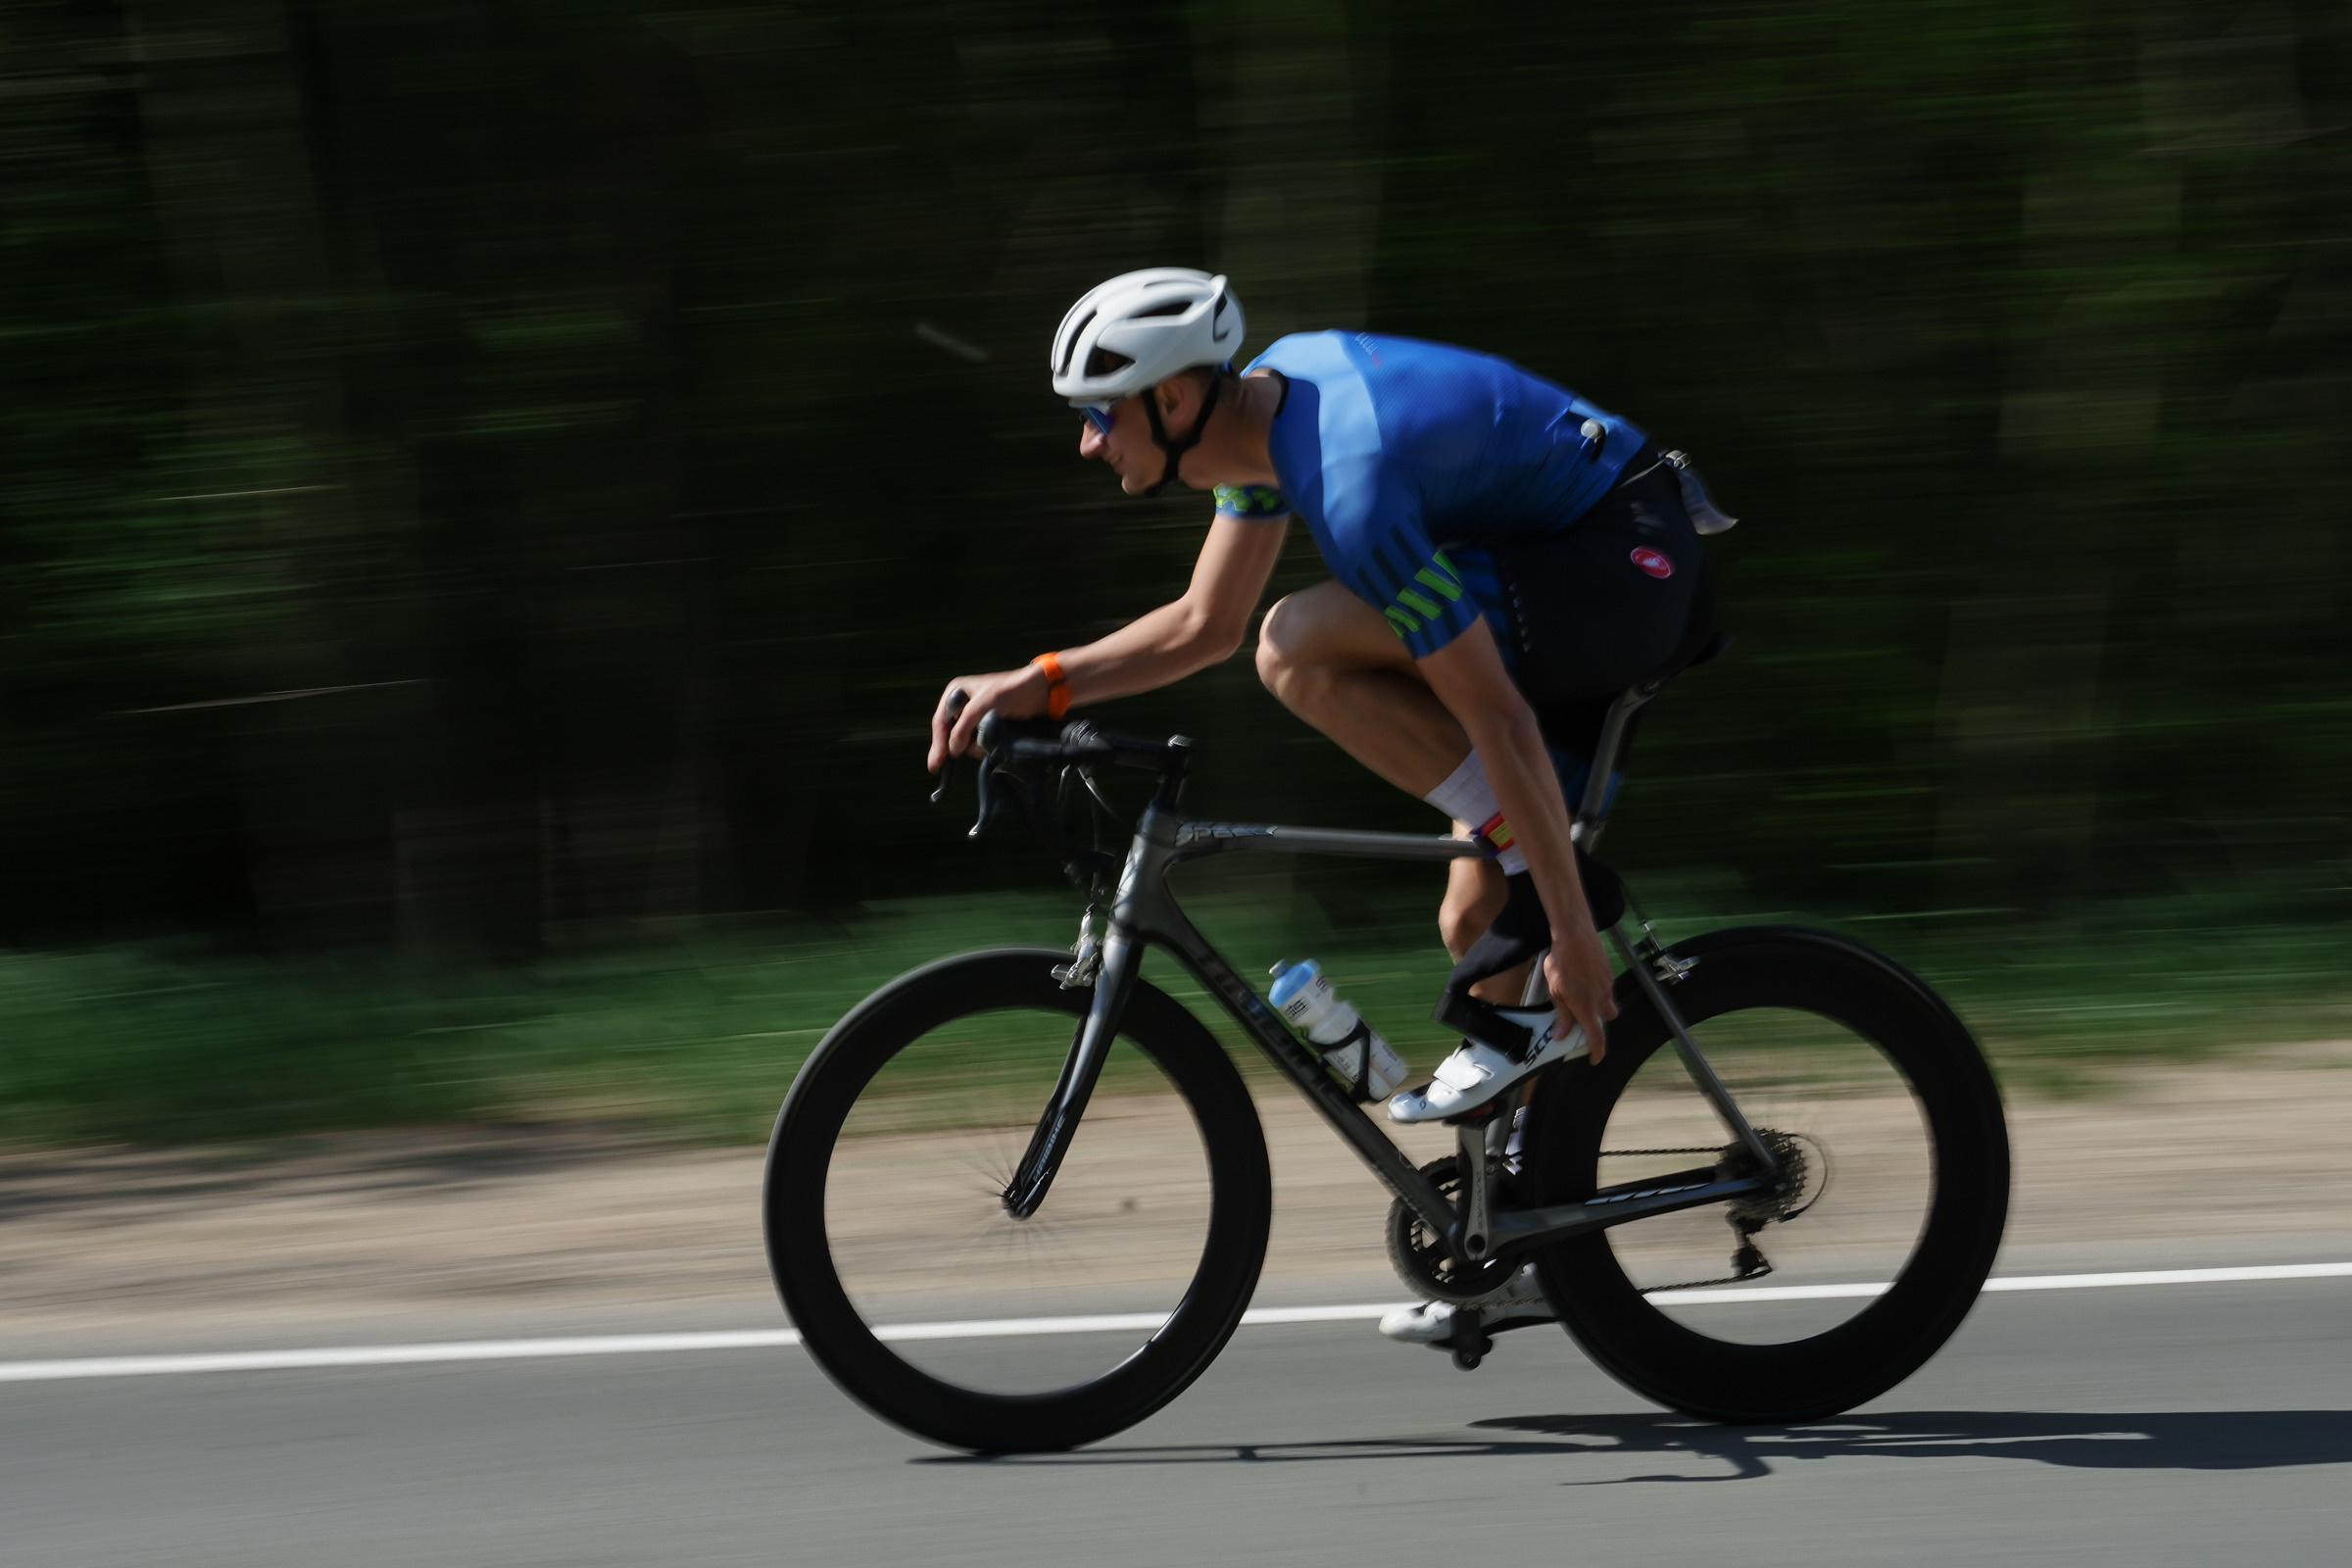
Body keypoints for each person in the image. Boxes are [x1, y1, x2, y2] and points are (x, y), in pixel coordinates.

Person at [926, 268, 1724, 1348]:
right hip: (1574, 553)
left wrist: (1574, 923)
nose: (1086, 441)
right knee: (1474, 930)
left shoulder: (1348, 477)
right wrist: (1045, 679)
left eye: (1099, 414)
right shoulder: (1259, 426)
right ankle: (1527, 1248)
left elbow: (1497, 716)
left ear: (1172, 402)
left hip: (1622, 561)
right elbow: (1202, 621)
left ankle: (1557, 906)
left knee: (1299, 642)